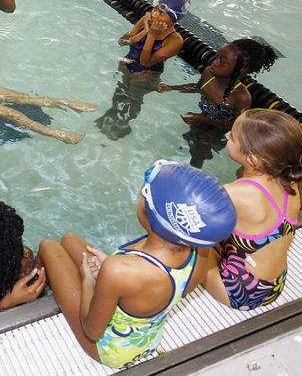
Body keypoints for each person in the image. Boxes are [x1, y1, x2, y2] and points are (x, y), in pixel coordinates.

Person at [38, 161, 236, 369]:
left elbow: (92, 331)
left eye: (144, 192)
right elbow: (154, 285)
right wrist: (113, 270)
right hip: (148, 336)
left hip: (110, 350)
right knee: (69, 240)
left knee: (48, 246)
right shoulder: (200, 253)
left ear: (148, 211)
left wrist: (88, 280)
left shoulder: (118, 270)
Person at [203, 109, 302, 310]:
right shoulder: (291, 181)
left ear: (253, 160)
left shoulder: (237, 193)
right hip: (275, 283)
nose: (226, 135)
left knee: (187, 250)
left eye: (232, 137)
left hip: (242, 292)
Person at [157, 38, 276, 167]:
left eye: (222, 61)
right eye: (217, 56)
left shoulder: (241, 97)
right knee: (191, 141)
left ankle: (195, 168)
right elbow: (197, 87)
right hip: (202, 119)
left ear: (241, 70)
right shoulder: (208, 73)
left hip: (218, 131)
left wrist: (206, 120)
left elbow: (237, 126)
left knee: (201, 149)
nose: (215, 62)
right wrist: (172, 88)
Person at [95, 0, 189, 140]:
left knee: (133, 100)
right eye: (155, 9)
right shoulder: (147, 21)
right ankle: (108, 120)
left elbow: (145, 61)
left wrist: (151, 35)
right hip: (126, 65)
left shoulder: (175, 40)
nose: (155, 15)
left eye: (162, 14)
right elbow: (122, 42)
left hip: (145, 76)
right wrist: (144, 30)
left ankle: (121, 127)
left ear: (173, 20)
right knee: (118, 95)